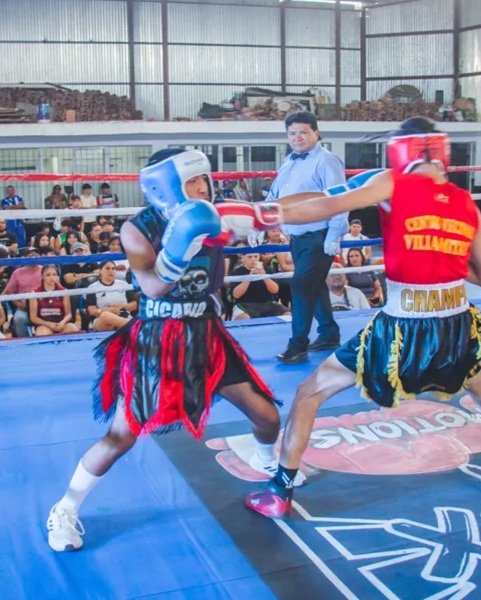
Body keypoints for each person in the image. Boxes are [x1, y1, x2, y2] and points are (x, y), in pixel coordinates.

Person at [231, 117, 481, 518]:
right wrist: (441, 254)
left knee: (309, 392)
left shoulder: (393, 182)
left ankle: (279, 491)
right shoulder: (466, 204)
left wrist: (256, 214)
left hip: (402, 327)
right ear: (441, 152)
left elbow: (327, 202)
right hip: (456, 324)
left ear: (401, 150)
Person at [45, 148, 281, 552]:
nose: (202, 188)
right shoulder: (138, 229)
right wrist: (180, 249)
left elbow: (271, 215)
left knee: (266, 416)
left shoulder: (216, 213)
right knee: (122, 436)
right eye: (191, 181)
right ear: (166, 186)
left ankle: (269, 464)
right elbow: (153, 286)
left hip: (207, 333)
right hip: (159, 339)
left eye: (204, 180)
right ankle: (65, 508)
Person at [266, 111, 347, 364]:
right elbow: (274, 196)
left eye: (303, 132)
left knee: (301, 287)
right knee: (313, 285)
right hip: (297, 236)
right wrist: (258, 223)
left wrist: (334, 234)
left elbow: (340, 198)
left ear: (316, 133)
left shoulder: (327, 161)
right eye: (292, 133)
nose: (297, 137)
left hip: (319, 235)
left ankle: (297, 345)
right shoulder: (288, 161)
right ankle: (329, 333)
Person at [29, 265, 81, 336]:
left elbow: (68, 314)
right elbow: (33, 317)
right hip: (44, 325)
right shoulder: (35, 293)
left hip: (61, 324)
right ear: (42, 276)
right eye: (48, 275)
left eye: (54, 274)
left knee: (73, 329)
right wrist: (48, 324)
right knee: (42, 334)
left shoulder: (64, 291)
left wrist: (62, 323)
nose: (51, 277)